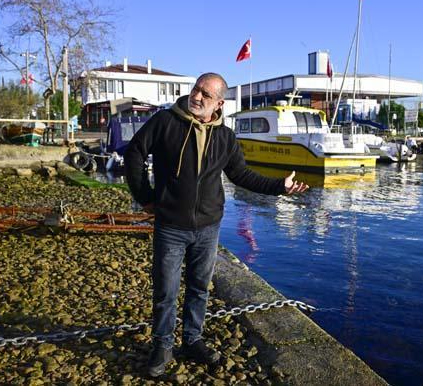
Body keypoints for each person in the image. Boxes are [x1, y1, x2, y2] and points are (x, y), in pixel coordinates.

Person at [124, 72, 308, 377]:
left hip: (208, 228)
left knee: (199, 287)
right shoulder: (165, 121)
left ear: (218, 103)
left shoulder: (225, 137)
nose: (197, 97)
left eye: (205, 95)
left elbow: (242, 176)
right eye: (196, 90)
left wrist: (280, 187)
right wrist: (145, 197)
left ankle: (192, 339)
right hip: (170, 224)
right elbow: (135, 154)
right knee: (166, 290)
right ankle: (162, 344)